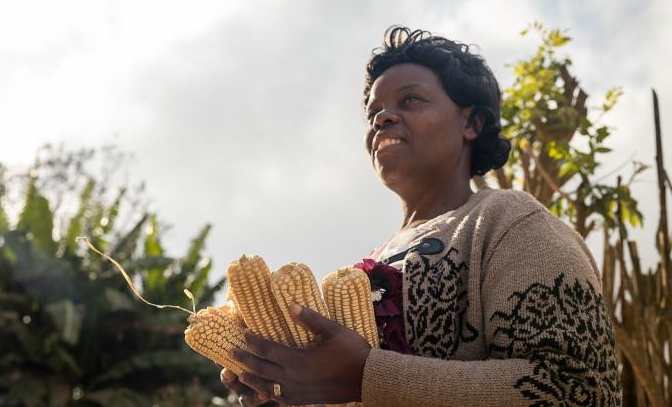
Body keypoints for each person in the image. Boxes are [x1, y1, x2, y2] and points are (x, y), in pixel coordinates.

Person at [220, 26, 621, 406]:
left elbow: (580, 388)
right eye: (374, 111)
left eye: (410, 100)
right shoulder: (370, 260)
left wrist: (366, 375)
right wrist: (285, 387)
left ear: (472, 122)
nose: (382, 118)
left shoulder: (507, 221)